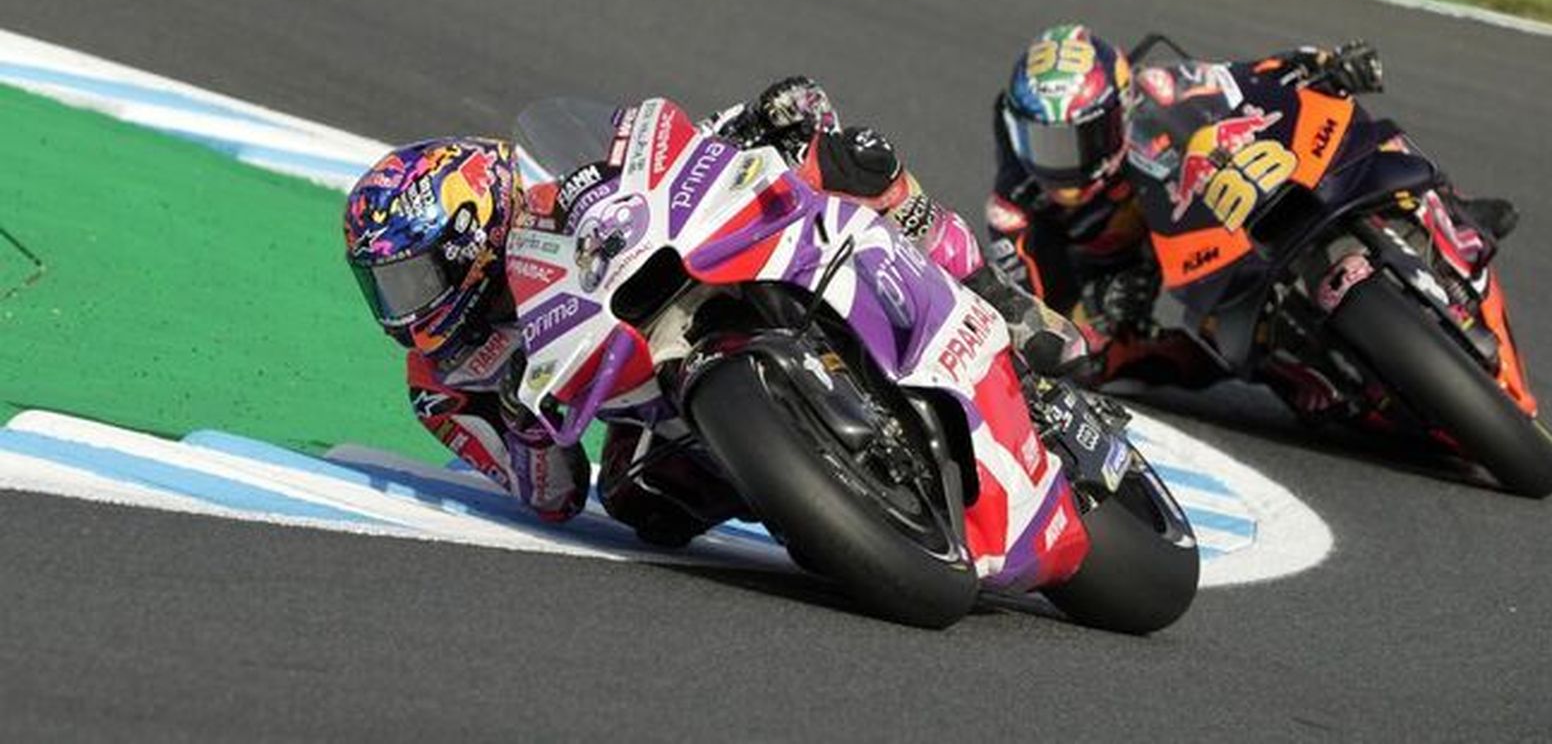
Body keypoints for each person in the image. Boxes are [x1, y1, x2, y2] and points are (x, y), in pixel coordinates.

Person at [342, 80, 1085, 547]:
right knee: (639, 504)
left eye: (409, 278)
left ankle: (996, 295)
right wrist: (527, 428)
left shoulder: (546, 201)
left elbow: (657, 168)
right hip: (646, 405)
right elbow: (551, 497)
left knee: (846, 156)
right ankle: (822, 498)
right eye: (384, 286)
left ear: (470, 235)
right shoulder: (438, 383)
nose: (402, 307)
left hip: (691, 285)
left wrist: (747, 122)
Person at [983, 23, 1517, 393]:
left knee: (1361, 138)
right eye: (1044, 144)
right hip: (1125, 282)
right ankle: (1294, 369)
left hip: (1206, 207)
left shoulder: (1160, 88)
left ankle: (1453, 208)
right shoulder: (1016, 213)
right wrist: (1094, 318)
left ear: (1117, 112)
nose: (1064, 164)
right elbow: (1037, 330)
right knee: (1171, 361)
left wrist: (1324, 64)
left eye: (1081, 138)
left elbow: (1246, 80)